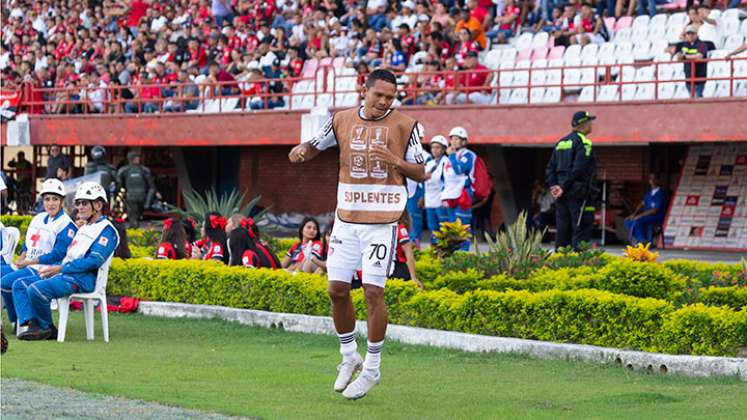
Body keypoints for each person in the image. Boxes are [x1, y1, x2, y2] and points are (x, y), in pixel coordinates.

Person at [288, 69, 426, 400]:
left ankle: (373, 369)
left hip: (383, 221)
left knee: (372, 293)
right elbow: (315, 144)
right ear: (363, 90)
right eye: (379, 95)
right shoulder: (341, 120)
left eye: (390, 97)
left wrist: (394, 160)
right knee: (336, 290)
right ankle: (350, 357)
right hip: (347, 219)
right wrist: (302, 151)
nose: (384, 102)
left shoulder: (407, 126)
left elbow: (421, 172)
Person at [15, 182, 119, 340]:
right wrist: (56, 269)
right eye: (78, 203)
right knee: (22, 285)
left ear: (98, 205)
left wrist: (59, 269)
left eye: (84, 203)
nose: (80, 207)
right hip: (66, 274)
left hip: (82, 279)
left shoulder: (107, 230)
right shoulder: (85, 227)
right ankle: (37, 325)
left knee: (36, 289)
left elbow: (93, 262)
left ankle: (47, 328)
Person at [1, 179, 77, 332]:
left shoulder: (66, 225)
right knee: (2, 278)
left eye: (55, 199)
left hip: (44, 269)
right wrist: (22, 256)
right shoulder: (38, 218)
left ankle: (24, 321)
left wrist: (29, 262)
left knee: (6, 282)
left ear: (62, 201)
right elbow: (28, 243)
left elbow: (58, 255)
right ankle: (17, 319)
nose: (51, 203)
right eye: (47, 199)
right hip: (29, 264)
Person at [545, 111, 598, 250]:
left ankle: (561, 262)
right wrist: (563, 187)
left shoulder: (561, 142)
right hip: (578, 193)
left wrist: (554, 187)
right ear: (583, 124)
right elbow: (578, 169)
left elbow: (550, 167)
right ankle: (578, 264)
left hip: (561, 195)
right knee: (582, 228)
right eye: (590, 122)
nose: (592, 125)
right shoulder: (584, 142)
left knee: (563, 228)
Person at [441, 126, 477, 250]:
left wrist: (451, 156)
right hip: (450, 194)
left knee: (463, 226)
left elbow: (459, 170)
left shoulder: (468, 155)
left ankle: (463, 253)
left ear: (464, 141)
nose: (454, 141)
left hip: (463, 194)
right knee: (452, 227)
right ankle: (454, 253)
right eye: (452, 139)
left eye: (457, 139)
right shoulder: (449, 157)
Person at [116, 150, 158, 228]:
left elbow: (152, 188)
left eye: (138, 157)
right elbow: (119, 186)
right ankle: (134, 231)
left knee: (136, 216)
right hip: (131, 197)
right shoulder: (124, 171)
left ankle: (134, 231)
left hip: (140, 196)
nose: (138, 159)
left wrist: (148, 202)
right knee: (134, 217)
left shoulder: (144, 170)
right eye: (136, 158)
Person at [624, 173, 667, 245]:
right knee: (627, 221)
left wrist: (639, 216)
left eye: (654, 179)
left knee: (637, 221)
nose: (652, 180)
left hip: (656, 217)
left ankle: (642, 240)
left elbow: (654, 210)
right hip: (646, 216)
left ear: (658, 180)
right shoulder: (648, 193)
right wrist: (634, 214)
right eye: (650, 179)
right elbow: (641, 204)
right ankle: (641, 239)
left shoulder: (660, 193)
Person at [673, 26, 715, 98]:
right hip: (688, 76)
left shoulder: (702, 44)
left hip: (699, 76)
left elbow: (699, 56)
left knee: (698, 97)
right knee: (693, 98)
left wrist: (685, 57)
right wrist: (684, 57)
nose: (690, 36)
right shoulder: (685, 45)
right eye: (688, 34)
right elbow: (679, 58)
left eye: (692, 33)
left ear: (696, 34)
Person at [423, 135, 450, 243]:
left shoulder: (447, 162)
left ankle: (446, 252)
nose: (434, 150)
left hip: (440, 200)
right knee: (432, 227)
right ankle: (435, 251)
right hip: (429, 200)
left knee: (443, 227)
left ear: (444, 149)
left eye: (437, 147)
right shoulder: (429, 164)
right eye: (433, 147)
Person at [389, 213, 422, 288]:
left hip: (390, 268)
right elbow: (408, 251)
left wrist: (413, 278)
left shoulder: (397, 228)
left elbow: (407, 250)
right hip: (397, 269)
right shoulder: (399, 228)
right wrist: (413, 277)